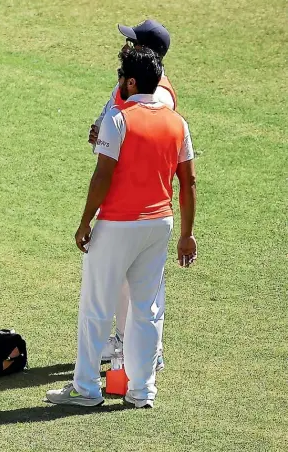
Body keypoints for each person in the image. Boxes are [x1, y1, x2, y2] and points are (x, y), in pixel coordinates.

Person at [46, 47, 196, 408]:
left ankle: (86, 388)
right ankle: (142, 390)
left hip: (117, 224)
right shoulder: (178, 122)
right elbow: (188, 183)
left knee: (96, 305)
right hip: (159, 224)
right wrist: (187, 234)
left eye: (120, 76)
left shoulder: (119, 117)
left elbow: (103, 175)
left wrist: (85, 221)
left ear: (131, 81)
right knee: (147, 308)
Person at [89, 20, 176, 367]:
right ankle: (125, 341)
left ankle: (147, 352)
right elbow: (111, 117)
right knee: (127, 279)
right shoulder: (127, 81)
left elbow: (150, 141)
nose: (124, 47)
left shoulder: (161, 95)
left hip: (142, 200)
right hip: (121, 193)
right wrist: (100, 132)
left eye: (131, 42)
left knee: (143, 284)